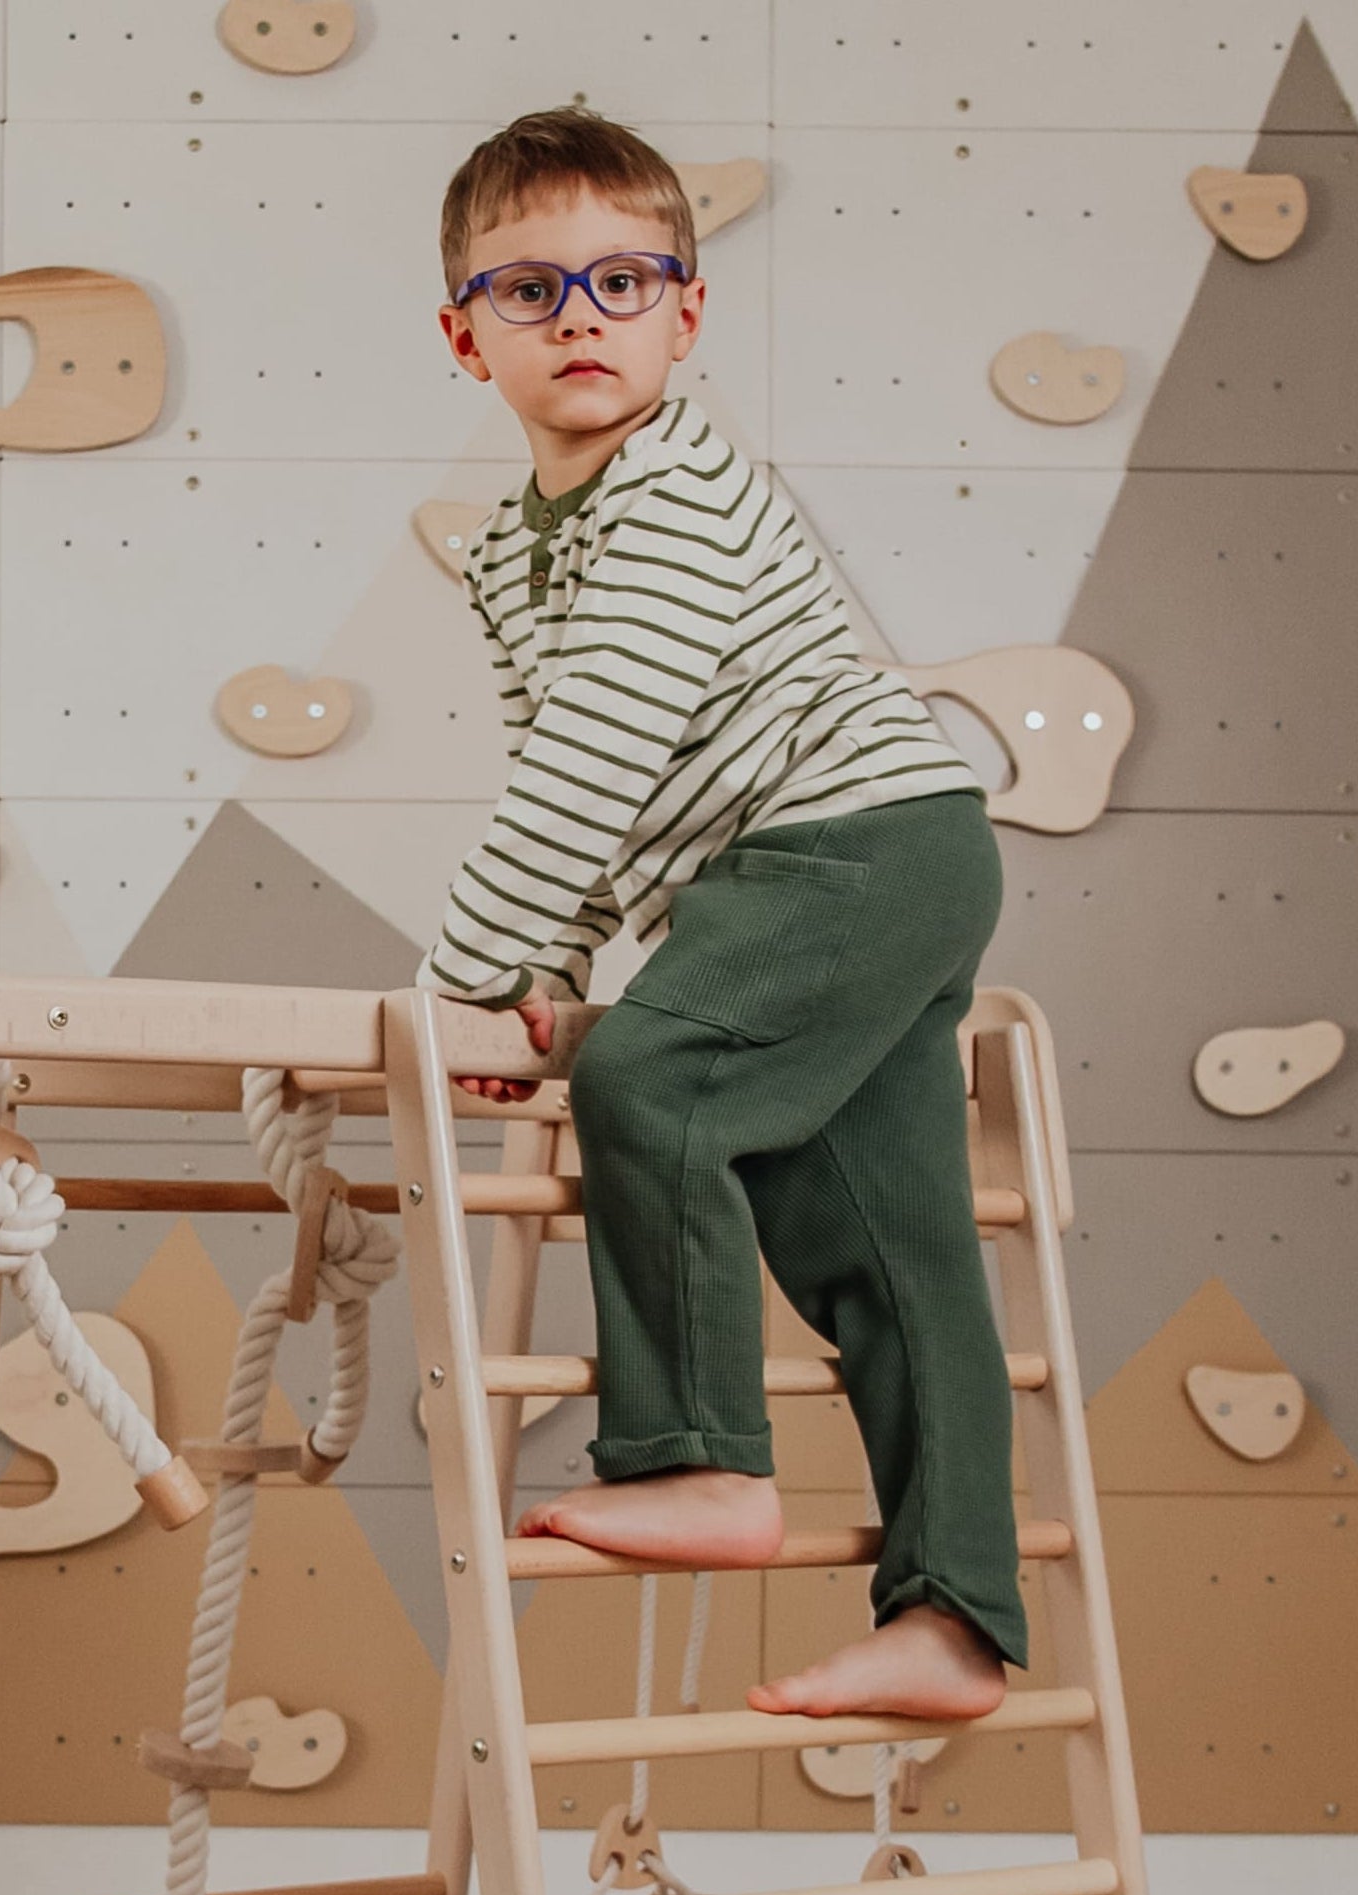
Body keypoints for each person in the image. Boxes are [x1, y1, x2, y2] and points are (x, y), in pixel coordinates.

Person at [427, 108, 1025, 1721]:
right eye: (529, 290)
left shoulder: (674, 498)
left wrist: (454, 985)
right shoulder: (508, 558)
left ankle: (698, 1458)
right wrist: (538, 972)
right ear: (465, 335)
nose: (578, 319)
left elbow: (595, 756)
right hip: (843, 868)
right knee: (879, 1242)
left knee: (655, 1082)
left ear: (683, 315)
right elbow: (555, 765)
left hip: (852, 846)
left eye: (620, 283)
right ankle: (955, 1620)